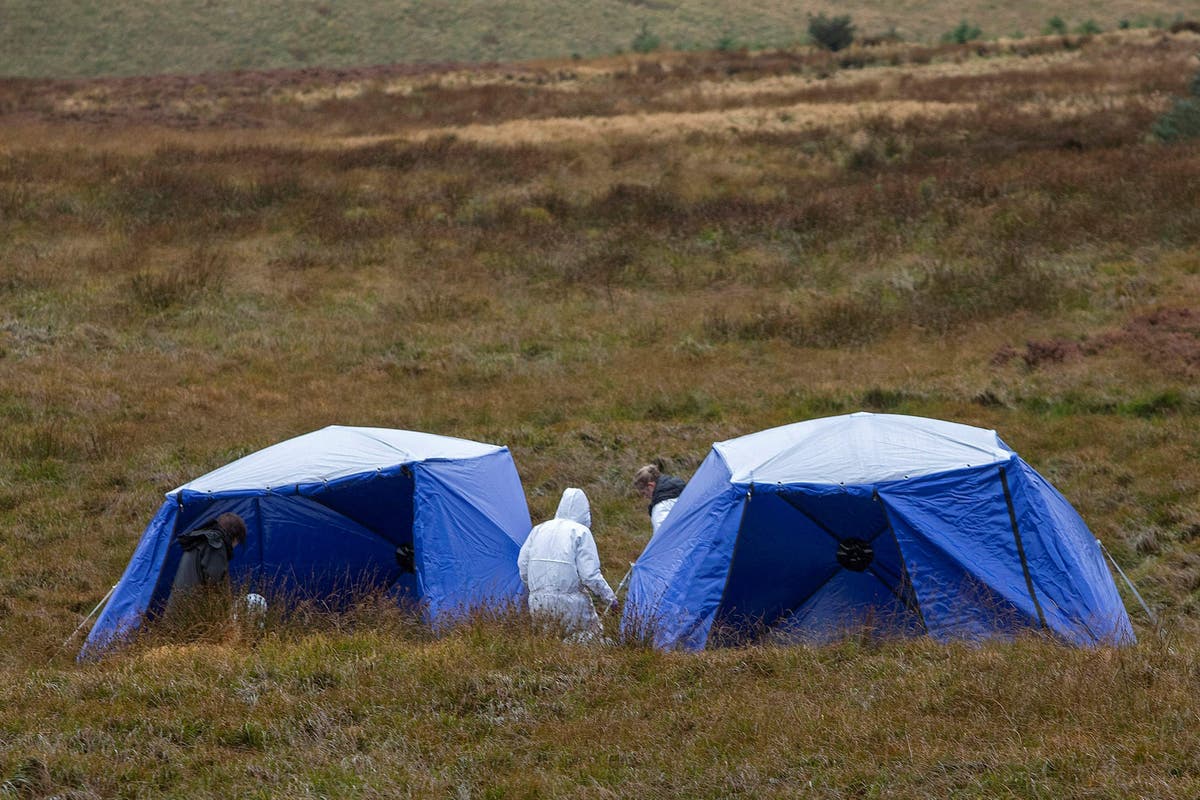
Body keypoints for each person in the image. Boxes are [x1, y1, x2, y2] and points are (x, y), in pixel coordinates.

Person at [518, 488, 617, 638]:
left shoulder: (539, 529)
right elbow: (590, 575)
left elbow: (523, 564)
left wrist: (536, 587)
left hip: (537, 601)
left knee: (547, 643)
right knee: (587, 639)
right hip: (572, 603)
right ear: (585, 511)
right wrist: (609, 597)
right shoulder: (581, 532)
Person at [169, 512, 247, 600]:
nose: (235, 546)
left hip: (178, 605)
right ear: (235, 537)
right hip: (191, 607)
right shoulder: (216, 545)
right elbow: (214, 583)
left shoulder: (201, 540)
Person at [633, 464, 685, 536]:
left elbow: (663, 539)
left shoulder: (660, 509)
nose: (645, 497)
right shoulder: (685, 490)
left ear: (650, 486)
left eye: (644, 493)